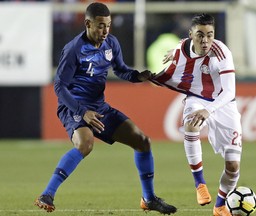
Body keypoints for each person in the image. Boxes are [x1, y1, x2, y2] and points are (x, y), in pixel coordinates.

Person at [34, 2, 177, 215]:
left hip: (99, 108)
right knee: (85, 143)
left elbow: (121, 70)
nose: (105, 31)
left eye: (108, 25)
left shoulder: (111, 43)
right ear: (88, 24)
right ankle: (47, 194)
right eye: (100, 26)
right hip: (73, 107)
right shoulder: (74, 49)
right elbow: (59, 87)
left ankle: (149, 199)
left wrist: (139, 76)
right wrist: (82, 112)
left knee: (142, 141)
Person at [151, 13, 242, 216]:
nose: (205, 40)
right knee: (191, 125)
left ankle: (219, 206)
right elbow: (182, 46)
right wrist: (173, 52)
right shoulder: (183, 46)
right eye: (200, 35)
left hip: (223, 103)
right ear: (191, 35)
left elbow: (229, 92)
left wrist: (208, 110)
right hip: (197, 96)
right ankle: (200, 184)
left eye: (210, 35)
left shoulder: (222, 53)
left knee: (233, 165)